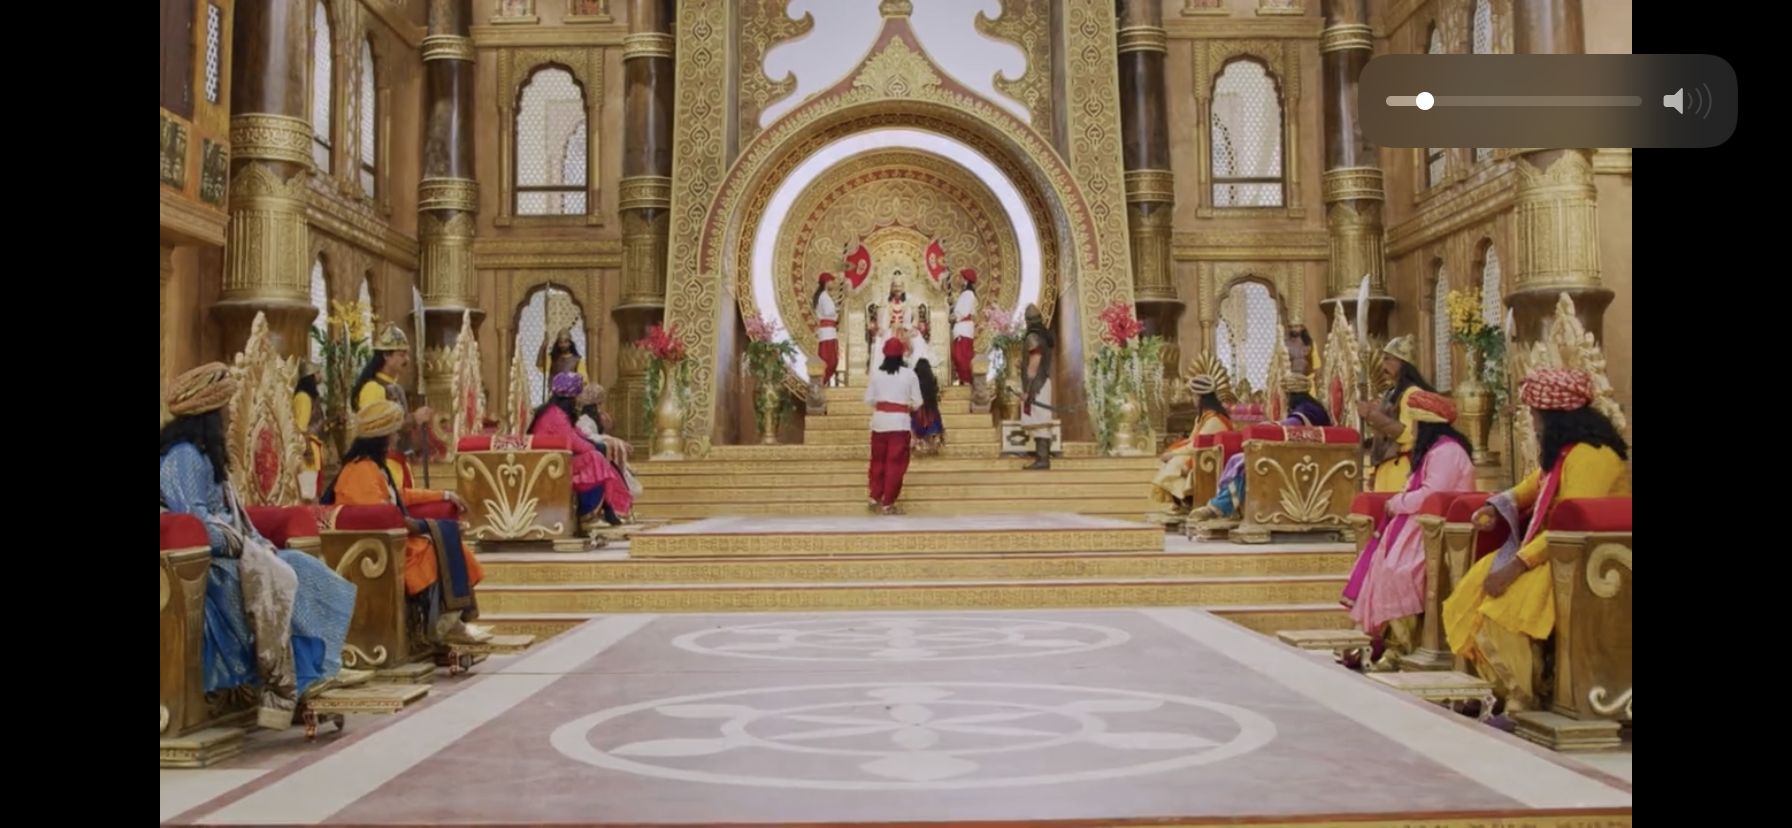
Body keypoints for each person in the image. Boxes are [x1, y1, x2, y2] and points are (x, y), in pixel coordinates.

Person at [160, 363, 368, 731]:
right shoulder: (184, 456)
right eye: (225, 407)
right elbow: (196, 524)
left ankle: (319, 668)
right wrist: (247, 548)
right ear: (209, 413)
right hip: (204, 563)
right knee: (282, 575)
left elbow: (236, 516)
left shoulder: (206, 454)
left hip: (235, 554)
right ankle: (301, 678)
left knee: (301, 565)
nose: (229, 414)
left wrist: (260, 545)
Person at [1441, 367, 1631, 728]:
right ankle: (1500, 691)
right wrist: (1495, 507)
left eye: (1535, 414)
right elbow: (1532, 487)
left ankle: (1522, 700)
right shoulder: (1567, 453)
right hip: (1553, 553)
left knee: (1504, 610)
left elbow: (1571, 525)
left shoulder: (1592, 456)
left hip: (1583, 561)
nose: (1533, 422)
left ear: (1555, 417)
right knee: (1475, 586)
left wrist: (1516, 566)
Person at [322, 400, 491, 648]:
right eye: (394, 433)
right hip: (374, 547)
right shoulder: (359, 470)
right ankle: (444, 626)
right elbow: (377, 517)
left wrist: (444, 495)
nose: (397, 437)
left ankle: (451, 622)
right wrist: (427, 526)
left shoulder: (373, 466)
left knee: (444, 543)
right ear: (381, 438)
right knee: (433, 548)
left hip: (393, 537)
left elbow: (398, 496)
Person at [1338, 390, 1476, 670]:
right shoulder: (1435, 451)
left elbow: (1431, 495)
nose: (1410, 429)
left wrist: (1396, 503)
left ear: (1425, 425)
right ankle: (1384, 641)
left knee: (1399, 572)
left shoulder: (1447, 452)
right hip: (1420, 525)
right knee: (1381, 565)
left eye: (1413, 422)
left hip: (1439, 530)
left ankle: (1402, 646)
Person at [1185, 375, 1331, 522]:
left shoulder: (1308, 409)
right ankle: (1227, 506)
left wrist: (1269, 427)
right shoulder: (1305, 407)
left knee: (1245, 463)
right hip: (1294, 452)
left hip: (1306, 457)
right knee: (1238, 459)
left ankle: (1220, 507)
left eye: (1285, 395)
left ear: (1290, 395)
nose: (1284, 399)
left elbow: (1293, 425)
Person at [531, 372, 633, 530]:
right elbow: (575, 443)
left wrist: (596, 445)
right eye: (579, 393)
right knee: (595, 458)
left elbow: (577, 433)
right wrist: (594, 448)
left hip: (557, 460)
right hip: (551, 464)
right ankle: (592, 513)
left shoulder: (556, 411)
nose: (580, 397)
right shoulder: (556, 415)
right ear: (571, 396)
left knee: (598, 456)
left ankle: (607, 509)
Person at [355, 322, 435, 488]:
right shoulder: (373, 388)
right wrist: (414, 418)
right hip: (383, 464)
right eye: (401, 354)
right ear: (387, 356)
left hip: (399, 462)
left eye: (406, 354)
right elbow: (375, 430)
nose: (407, 359)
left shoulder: (394, 387)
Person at [1355, 335, 1436, 492]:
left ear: (1402, 362)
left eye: (1388, 359)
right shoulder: (1390, 393)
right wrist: (1374, 470)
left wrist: (1371, 414)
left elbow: (1407, 433)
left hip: (1401, 469)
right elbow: (1380, 437)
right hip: (1385, 468)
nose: (1383, 363)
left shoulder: (1412, 393)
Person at [1148, 374, 1235, 509]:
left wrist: (1174, 454)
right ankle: (1181, 501)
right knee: (1171, 461)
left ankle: (1187, 499)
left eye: (1194, 396)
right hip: (1201, 454)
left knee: (1175, 463)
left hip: (1210, 458)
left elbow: (1198, 445)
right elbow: (1192, 440)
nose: (1192, 399)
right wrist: (1173, 451)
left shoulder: (1214, 419)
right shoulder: (1202, 417)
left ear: (1201, 398)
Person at [865, 336, 923, 514]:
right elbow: (918, 402)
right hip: (899, 423)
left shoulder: (877, 374)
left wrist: (884, 404)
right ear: (902, 354)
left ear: (884, 354)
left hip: (879, 422)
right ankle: (888, 502)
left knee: (878, 460)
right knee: (895, 463)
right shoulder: (909, 374)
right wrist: (905, 405)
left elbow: (869, 399)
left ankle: (874, 496)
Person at [576, 382, 639, 521]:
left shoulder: (596, 419)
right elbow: (588, 437)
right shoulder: (584, 420)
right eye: (600, 403)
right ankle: (610, 512)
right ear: (597, 404)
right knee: (611, 475)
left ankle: (616, 512)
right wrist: (614, 441)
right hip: (586, 457)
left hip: (598, 455)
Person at [1019, 303, 1056, 471]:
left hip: (1037, 385)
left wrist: (1028, 390)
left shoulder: (1033, 337)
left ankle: (1042, 459)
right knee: (1040, 419)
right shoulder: (1044, 337)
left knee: (1040, 420)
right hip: (1043, 382)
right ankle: (1042, 456)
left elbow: (1034, 363)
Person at [294, 361, 325, 500]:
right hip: (307, 451)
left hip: (313, 446)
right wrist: (307, 449)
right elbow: (301, 427)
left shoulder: (309, 397)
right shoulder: (303, 398)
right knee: (308, 495)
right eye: (317, 373)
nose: (320, 376)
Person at [869, 279, 909, 376]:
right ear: (891, 288)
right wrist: (881, 328)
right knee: (881, 338)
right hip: (888, 330)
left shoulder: (907, 304)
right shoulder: (885, 303)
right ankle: (882, 370)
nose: (897, 289)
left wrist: (903, 327)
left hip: (903, 330)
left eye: (900, 286)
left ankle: (905, 369)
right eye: (895, 286)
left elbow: (909, 322)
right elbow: (880, 320)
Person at [911, 358, 946, 456]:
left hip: (919, 409)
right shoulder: (932, 380)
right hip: (932, 408)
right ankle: (934, 444)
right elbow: (936, 393)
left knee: (916, 425)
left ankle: (919, 446)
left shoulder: (915, 380)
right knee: (934, 425)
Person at [950, 268, 978, 385]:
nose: (959, 280)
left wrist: (953, 317)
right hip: (962, 329)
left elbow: (962, 312)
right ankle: (964, 381)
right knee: (960, 355)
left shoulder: (968, 294)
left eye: (961, 278)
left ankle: (967, 381)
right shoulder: (965, 294)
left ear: (966, 280)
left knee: (961, 357)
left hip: (963, 330)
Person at [813, 272, 840, 385]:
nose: (833, 283)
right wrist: (837, 311)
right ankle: (822, 381)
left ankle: (823, 381)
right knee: (829, 359)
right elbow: (829, 312)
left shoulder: (824, 296)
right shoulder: (824, 296)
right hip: (827, 332)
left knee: (830, 359)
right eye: (831, 281)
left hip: (829, 331)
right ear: (826, 282)